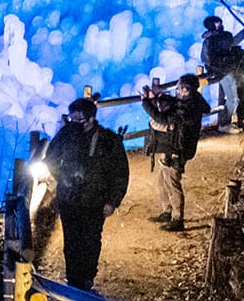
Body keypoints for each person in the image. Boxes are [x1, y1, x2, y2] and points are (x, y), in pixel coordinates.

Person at [44, 96, 130, 289]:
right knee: (72, 239)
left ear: (91, 118)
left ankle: (87, 278)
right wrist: (63, 178)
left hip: (95, 200)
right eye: (72, 119)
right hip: (69, 199)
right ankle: (73, 278)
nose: (74, 123)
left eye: (79, 120)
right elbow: (50, 158)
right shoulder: (65, 135)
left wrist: (112, 201)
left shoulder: (108, 140)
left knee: (91, 239)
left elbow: (120, 173)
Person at [142, 74, 211, 233]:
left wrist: (146, 103)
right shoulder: (189, 102)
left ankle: (177, 219)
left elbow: (162, 118)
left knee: (172, 182)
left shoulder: (188, 108)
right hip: (172, 146)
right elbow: (170, 105)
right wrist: (155, 98)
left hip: (178, 150)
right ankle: (168, 211)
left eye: (183, 89)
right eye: (179, 88)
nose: (179, 92)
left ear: (191, 91)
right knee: (163, 180)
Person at [200, 15, 243, 130]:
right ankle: (225, 124)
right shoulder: (209, 41)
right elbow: (208, 59)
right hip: (223, 72)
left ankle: (233, 121)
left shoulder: (225, 36)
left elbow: (233, 43)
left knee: (237, 97)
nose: (220, 24)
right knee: (233, 98)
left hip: (233, 69)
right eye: (216, 22)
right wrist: (217, 70)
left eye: (219, 22)